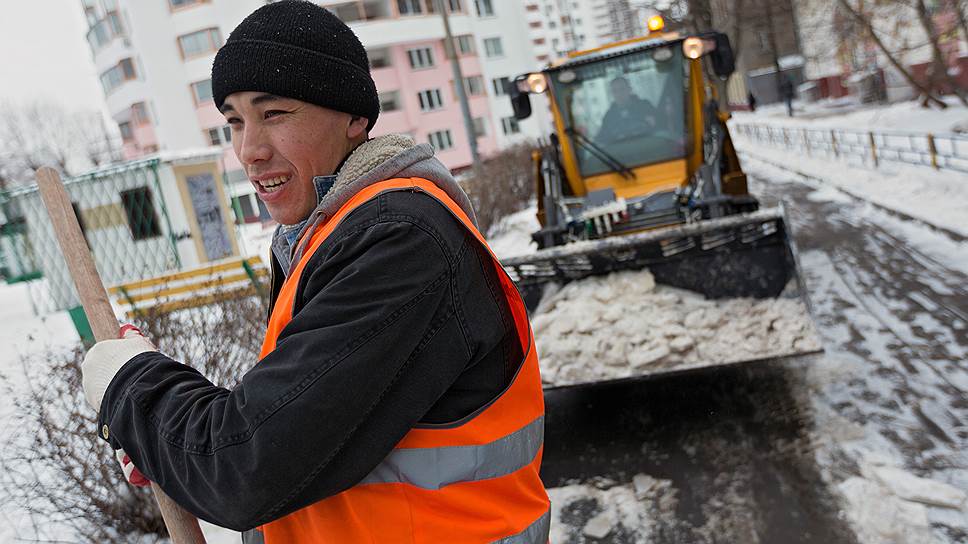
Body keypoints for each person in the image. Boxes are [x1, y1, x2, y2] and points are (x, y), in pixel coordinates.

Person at [80, 1, 550, 542]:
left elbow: (245, 465)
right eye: (234, 122)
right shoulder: (323, 237)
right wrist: (166, 442)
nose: (249, 151)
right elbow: (293, 433)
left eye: (274, 114)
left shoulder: (401, 242)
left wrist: (133, 389)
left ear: (354, 118)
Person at [595, 76, 659, 143]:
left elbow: (661, 125)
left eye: (622, 89)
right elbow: (601, 140)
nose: (619, 94)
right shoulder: (609, 116)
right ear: (612, 94)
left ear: (629, 89)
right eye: (615, 91)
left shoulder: (645, 106)